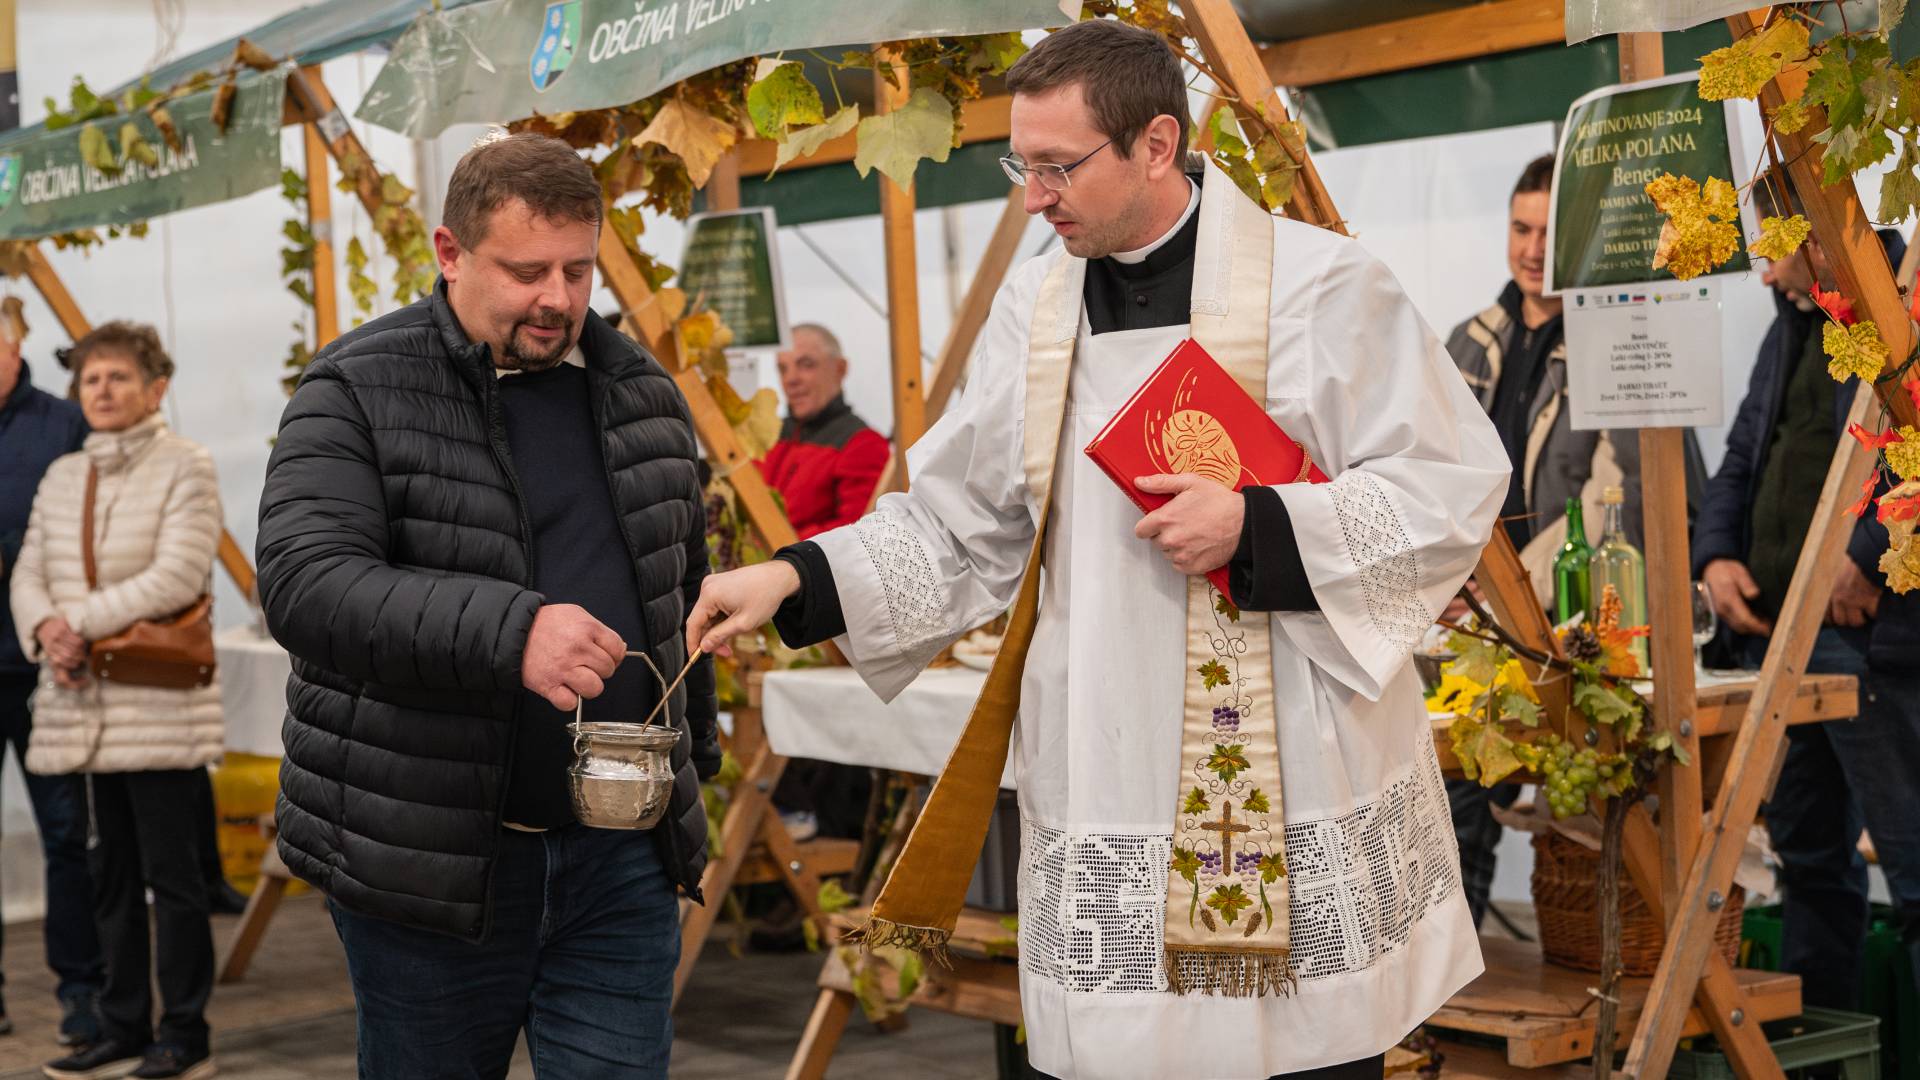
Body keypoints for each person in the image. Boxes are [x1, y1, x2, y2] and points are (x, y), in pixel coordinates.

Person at [688, 21, 1507, 1080]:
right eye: (1020, 167)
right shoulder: (1033, 310)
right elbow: (960, 523)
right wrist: (795, 576)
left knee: (1295, 1047)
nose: (1035, 197)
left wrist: (1258, 525)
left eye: (1057, 167)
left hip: (1285, 756)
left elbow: (1446, 488)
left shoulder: (1324, 288)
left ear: (1157, 144)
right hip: (1103, 750)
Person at [256, 132, 718, 1080]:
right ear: (450, 252)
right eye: (526, 271)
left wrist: (689, 775)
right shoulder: (357, 387)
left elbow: (676, 597)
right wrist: (515, 634)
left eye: (577, 270)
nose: (558, 297)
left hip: (620, 861)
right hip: (429, 865)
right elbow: (307, 584)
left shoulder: (645, 395)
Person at [1439, 155, 1707, 928]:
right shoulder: (1469, 341)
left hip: (1568, 623)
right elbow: (1427, 475)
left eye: (1549, 234)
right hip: (1467, 615)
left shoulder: (1616, 342)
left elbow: (1615, 501)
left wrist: (1504, 588)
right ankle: (1450, 977)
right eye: (1520, 228)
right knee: (1449, 798)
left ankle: (1479, 968)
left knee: (1534, 809)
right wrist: (1447, 579)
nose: (1531, 250)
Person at [1693, 205, 1920, 1012]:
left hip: (1871, 642)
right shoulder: (1795, 322)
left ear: (1815, 237)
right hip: (1778, 635)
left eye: (1773, 251)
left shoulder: (1904, 308)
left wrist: (1866, 557)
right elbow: (1745, 451)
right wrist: (1716, 555)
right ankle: (1824, 1049)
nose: (1762, 272)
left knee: (1913, 867)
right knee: (1810, 857)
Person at [10, 322, 224, 1080]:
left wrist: (76, 624)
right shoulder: (64, 474)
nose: (101, 390)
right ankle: (122, 1026)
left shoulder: (186, 464)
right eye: (91, 379)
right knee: (107, 877)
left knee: (174, 879)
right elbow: (28, 570)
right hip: (81, 705)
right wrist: (46, 628)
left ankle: (185, 1034)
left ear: (156, 388)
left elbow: (178, 574)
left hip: (155, 706)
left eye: (119, 377)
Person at [0, 323, 106, 1048]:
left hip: (45, 661)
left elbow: (90, 530)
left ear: (15, 348)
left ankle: (82, 988)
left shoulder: (65, 425)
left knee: (68, 834)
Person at [757, 323, 891, 540]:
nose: (791, 379)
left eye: (806, 365)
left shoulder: (864, 444)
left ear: (840, 369)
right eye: (783, 369)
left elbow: (858, 534)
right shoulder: (767, 437)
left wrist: (783, 548)